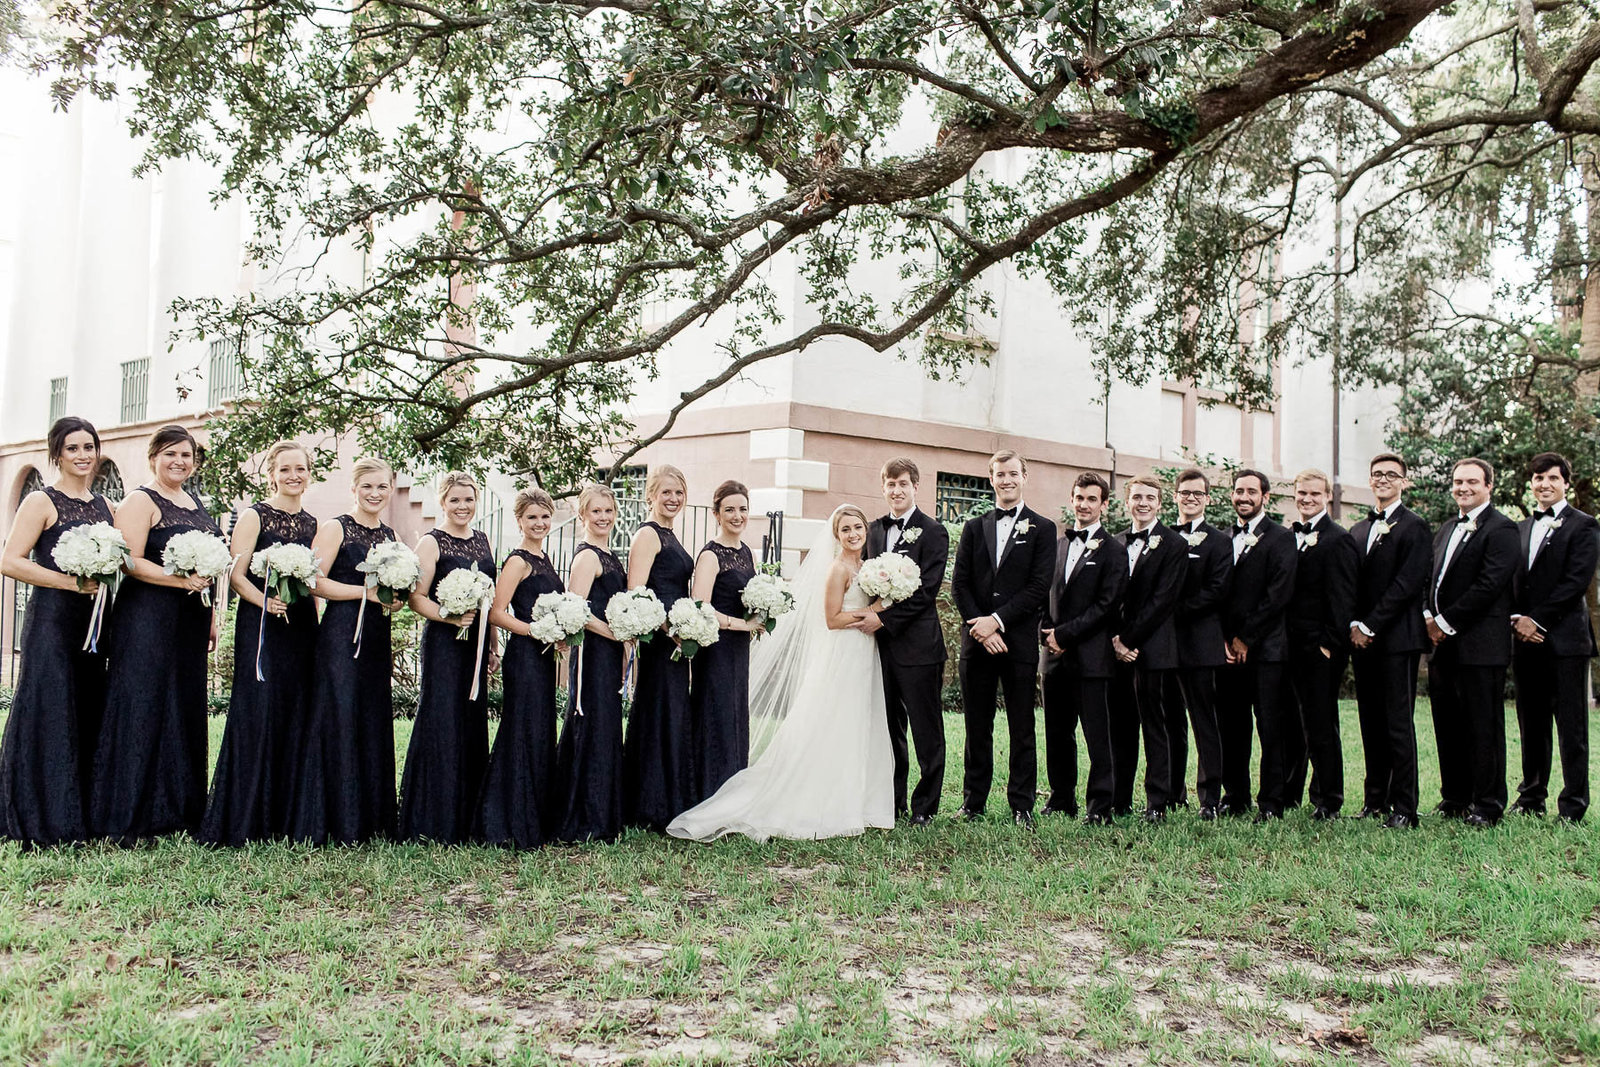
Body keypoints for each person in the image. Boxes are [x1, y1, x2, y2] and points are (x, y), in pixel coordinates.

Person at [667, 504, 894, 841]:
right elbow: (832, 619)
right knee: (833, 721)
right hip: (842, 652)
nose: (853, 534)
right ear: (836, 535)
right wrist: (873, 610)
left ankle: (858, 799)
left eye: (858, 527)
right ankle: (826, 802)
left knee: (857, 720)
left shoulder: (867, 567)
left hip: (863, 652)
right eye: (845, 529)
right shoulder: (838, 569)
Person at [91, 425, 221, 842]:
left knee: (181, 705)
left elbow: (213, 566)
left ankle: (177, 811)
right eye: (170, 454)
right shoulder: (140, 500)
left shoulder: (195, 502)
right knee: (142, 703)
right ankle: (130, 814)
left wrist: (212, 616)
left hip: (190, 618)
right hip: (146, 615)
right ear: (153, 458)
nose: (179, 462)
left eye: (186, 455)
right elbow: (128, 560)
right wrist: (178, 579)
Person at [0, 417, 115, 846]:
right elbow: (10, 561)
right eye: (73, 448)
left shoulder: (105, 506)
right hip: (52, 619)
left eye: (89, 447)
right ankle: (39, 815)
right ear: (57, 454)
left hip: (94, 624)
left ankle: (79, 812)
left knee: (86, 708)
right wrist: (70, 582)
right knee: (49, 708)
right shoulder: (41, 502)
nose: (83, 456)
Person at [201, 441, 321, 845]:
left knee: (297, 707)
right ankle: (249, 814)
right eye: (285, 469)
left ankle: (288, 813)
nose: (293, 476)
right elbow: (235, 574)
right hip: (262, 620)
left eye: (300, 469)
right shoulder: (254, 515)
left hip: (301, 621)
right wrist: (264, 602)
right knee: (262, 705)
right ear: (271, 474)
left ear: (309, 473)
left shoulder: (311, 522)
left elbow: (314, 578)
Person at [291, 457, 401, 846]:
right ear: (353, 488)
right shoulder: (336, 527)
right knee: (339, 713)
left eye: (382, 487)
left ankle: (371, 818)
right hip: (340, 634)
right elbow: (313, 581)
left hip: (375, 636)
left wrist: (395, 598)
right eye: (367, 486)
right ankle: (335, 819)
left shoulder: (391, 535)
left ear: (390, 489)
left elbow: (396, 592)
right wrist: (365, 594)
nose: (375, 494)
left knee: (370, 717)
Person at [950, 450, 1057, 826]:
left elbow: (1038, 587)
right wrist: (979, 626)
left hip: (1018, 642)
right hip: (976, 642)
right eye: (1000, 474)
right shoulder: (974, 527)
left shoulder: (1043, 529)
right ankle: (973, 802)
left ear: (1024, 477)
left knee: (1021, 726)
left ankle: (1021, 805)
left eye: (1013, 473)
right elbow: (959, 585)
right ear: (991, 479)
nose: (1006, 480)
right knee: (976, 726)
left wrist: (997, 621)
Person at [398, 471, 498, 844]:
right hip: (444, 643)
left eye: (469, 499)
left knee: (471, 720)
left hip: (475, 643)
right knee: (442, 719)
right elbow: (416, 598)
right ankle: (433, 817)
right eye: (455, 500)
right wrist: (449, 615)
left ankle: (468, 814)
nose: (462, 506)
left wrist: (491, 645)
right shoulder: (431, 541)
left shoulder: (483, 540)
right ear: (443, 502)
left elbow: (489, 598)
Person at [1425, 456, 1518, 826]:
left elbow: (1489, 585)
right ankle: (1455, 797)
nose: (1463, 488)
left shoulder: (1503, 529)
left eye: (1471, 482)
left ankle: (1488, 804)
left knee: (1483, 726)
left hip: (1481, 645)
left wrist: (1445, 622)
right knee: (1447, 723)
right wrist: (1428, 616)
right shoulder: (1447, 528)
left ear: (1488, 486)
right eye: (1458, 482)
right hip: (1443, 645)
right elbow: (1432, 580)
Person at [1509, 452, 1598, 822]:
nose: (1544, 484)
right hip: (1524, 642)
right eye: (1537, 478)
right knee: (1531, 723)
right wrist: (1517, 620)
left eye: (1551, 478)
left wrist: (1538, 621)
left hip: (1565, 643)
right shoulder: (1521, 528)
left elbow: (1575, 582)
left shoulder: (1585, 525)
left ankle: (1573, 805)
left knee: (1571, 727)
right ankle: (1531, 797)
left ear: (1565, 483)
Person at [860, 457, 949, 825]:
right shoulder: (873, 529)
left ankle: (925, 808)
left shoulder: (933, 531)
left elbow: (926, 590)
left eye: (903, 484)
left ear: (916, 486)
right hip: (878, 649)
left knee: (926, 731)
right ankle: (892, 802)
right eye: (890, 484)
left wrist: (882, 618)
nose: (896, 490)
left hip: (919, 648)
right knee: (888, 729)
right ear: (883, 488)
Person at [1347, 453, 1432, 829]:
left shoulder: (1415, 527)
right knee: (1370, 722)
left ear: (1404, 482)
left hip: (1398, 640)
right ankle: (1374, 800)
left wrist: (1371, 625)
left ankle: (1405, 808)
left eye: (1391, 475)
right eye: (1376, 474)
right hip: (1362, 641)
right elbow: (1350, 585)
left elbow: (1407, 584)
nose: (1383, 479)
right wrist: (1354, 624)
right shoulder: (1358, 530)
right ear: (1369, 480)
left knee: (1398, 723)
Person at [477, 488, 566, 848]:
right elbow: (496, 612)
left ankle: (537, 817)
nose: (540, 523)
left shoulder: (543, 558)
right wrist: (536, 630)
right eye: (532, 517)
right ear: (519, 521)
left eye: (545, 516)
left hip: (545, 658)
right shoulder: (517, 561)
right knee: (521, 733)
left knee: (541, 732)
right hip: (526, 658)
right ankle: (507, 821)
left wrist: (560, 632)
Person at [1039, 472, 1124, 824]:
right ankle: (1061, 798)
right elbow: (1042, 594)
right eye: (1079, 498)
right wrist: (1046, 635)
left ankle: (1100, 806)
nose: (1084, 505)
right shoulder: (1058, 545)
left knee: (1097, 736)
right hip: (1053, 658)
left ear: (1103, 504)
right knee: (1057, 734)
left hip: (1091, 658)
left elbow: (1106, 606)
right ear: (1071, 499)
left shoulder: (1114, 551)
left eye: (1091, 499)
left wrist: (1064, 635)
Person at [1217, 469, 1298, 822]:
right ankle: (1235, 797)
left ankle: (1271, 803)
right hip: (1227, 654)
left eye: (1251, 491)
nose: (1244, 497)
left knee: (1270, 729)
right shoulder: (1223, 538)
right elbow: (1216, 593)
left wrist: (1245, 638)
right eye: (1238, 491)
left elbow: (1278, 594)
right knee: (1232, 728)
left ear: (1265, 496)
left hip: (1266, 651)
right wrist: (1223, 639)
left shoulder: (1281, 538)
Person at [622, 465, 697, 831]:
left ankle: (669, 797)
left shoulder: (671, 534)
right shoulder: (648, 535)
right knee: (658, 711)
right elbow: (637, 593)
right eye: (666, 492)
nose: (673, 499)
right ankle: (649, 804)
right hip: (659, 640)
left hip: (677, 639)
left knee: (672, 712)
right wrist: (670, 628)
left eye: (679, 493)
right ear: (650, 495)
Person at [1108, 476, 1186, 821]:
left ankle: (1158, 802)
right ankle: (1119, 799)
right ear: (1127, 502)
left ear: (1160, 503)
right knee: (1120, 726)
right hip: (1116, 651)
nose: (1143, 502)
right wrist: (1115, 639)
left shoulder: (1173, 544)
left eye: (1150, 498)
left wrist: (1130, 640)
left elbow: (1163, 600)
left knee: (1155, 725)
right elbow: (1107, 597)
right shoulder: (1114, 542)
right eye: (1137, 496)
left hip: (1152, 649)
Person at [554, 484, 628, 843]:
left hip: (610, 654)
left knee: (607, 727)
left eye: (608, 511)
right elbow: (575, 610)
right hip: (592, 654)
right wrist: (613, 633)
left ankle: (604, 812)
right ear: (582, 515)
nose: (603, 518)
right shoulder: (586, 557)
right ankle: (583, 817)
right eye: (595, 511)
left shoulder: (610, 554)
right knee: (591, 725)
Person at [1283, 469, 1358, 820]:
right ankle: (1289, 792)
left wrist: (1330, 644)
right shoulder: (1288, 536)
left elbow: (1343, 598)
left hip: (1319, 649)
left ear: (1327, 496)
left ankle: (1328, 798)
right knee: (1291, 725)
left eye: (1314, 493)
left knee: (1320, 725)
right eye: (1302, 493)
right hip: (1286, 647)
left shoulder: (1338, 539)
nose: (1307, 499)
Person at [687, 480, 759, 805]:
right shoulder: (710, 555)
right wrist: (743, 625)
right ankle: (710, 794)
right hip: (715, 648)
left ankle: (733, 790)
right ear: (717, 513)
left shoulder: (746, 553)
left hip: (739, 649)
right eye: (729, 509)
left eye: (742, 509)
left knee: (735, 713)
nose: (737, 515)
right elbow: (700, 606)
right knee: (716, 714)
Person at [1166, 468, 1231, 819]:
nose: (1191, 498)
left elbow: (1217, 590)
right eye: (1185, 493)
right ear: (1175, 496)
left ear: (1207, 499)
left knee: (1204, 721)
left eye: (1198, 494)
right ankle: (1173, 792)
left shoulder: (1219, 541)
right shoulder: (1161, 537)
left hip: (1200, 643)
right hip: (1164, 646)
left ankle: (1210, 797)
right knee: (1169, 721)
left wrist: (1170, 610)